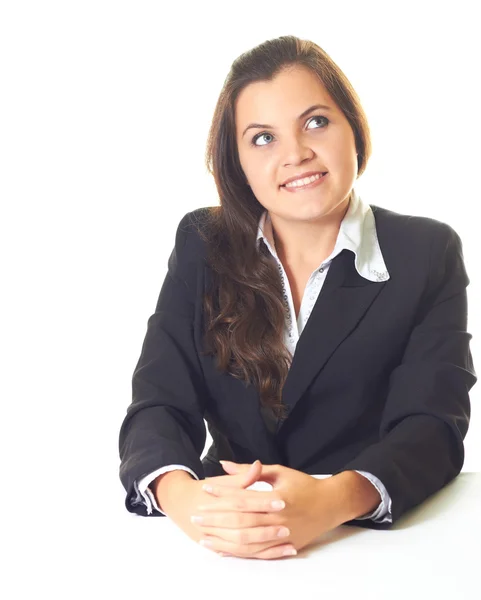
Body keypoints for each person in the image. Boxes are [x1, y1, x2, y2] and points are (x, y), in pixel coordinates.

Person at [118, 35, 477, 560]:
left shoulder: (426, 251)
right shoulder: (202, 244)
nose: (296, 154)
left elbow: (432, 425)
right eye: (262, 138)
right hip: (227, 543)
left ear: (353, 127)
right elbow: (158, 401)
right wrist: (189, 501)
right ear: (236, 159)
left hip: (364, 545)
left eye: (315, 122)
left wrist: (334, 499)